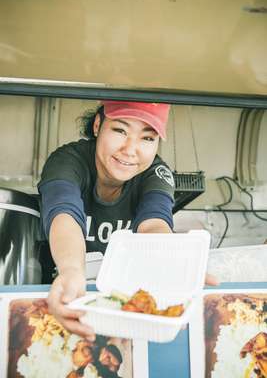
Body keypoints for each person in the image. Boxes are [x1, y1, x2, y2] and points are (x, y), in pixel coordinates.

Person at [38, 100, 217, 339]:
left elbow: (154, 224)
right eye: (120, 130)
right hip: (64, 294)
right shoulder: (67, 161)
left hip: (121, 307)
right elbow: (64, 215)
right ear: (98, 125)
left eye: (147, 138)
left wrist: (175, 262)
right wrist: (71, 271)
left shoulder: (156, 173)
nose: (131, 150)